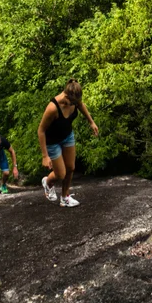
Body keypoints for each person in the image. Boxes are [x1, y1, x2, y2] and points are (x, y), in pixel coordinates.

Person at [38, 79, 98, 207]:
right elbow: (41, 131)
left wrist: (91, 122)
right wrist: (45, 156)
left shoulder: (74, 100)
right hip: (52, 142)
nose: (74, 105)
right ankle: (47, 182)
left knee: (71, 168)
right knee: (61, 174)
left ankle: (65, 197)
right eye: (72, 102)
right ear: (66, 96)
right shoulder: (53, 108)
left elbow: (81, 105)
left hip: (67, 136)